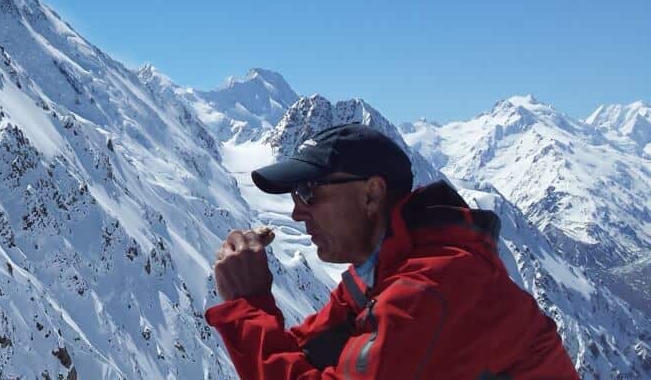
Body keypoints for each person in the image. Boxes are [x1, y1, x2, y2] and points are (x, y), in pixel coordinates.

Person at [206, 123, 578, 379]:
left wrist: (248, 306)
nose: (297, 211)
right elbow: (304, 353)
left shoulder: (431, 289)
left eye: (309, 191)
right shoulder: (380, 274)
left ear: (372, 194)